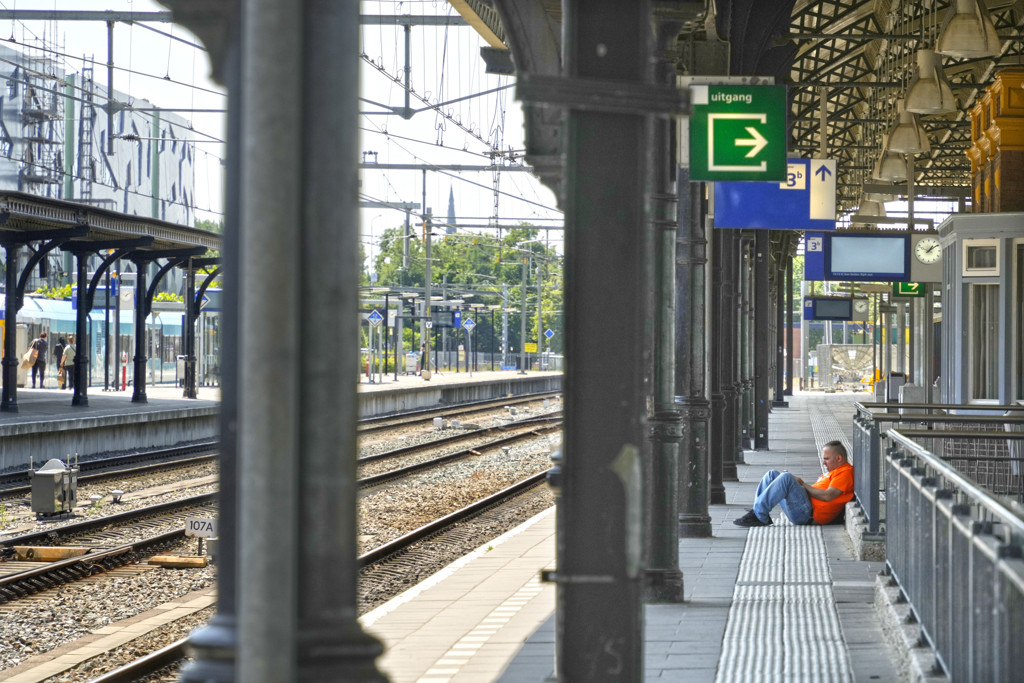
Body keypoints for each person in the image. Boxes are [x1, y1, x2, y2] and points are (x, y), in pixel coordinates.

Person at [733, 440, 854, 527]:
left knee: (786, 478)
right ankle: (758, 511)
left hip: (807, 515)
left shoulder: (845, 473)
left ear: (838, 458)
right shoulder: (834, 472)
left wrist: (802, 484)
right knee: (772, 475)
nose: (823, 463)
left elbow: (828, 496)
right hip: (804, 506)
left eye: (826, 459)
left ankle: (758, 515)